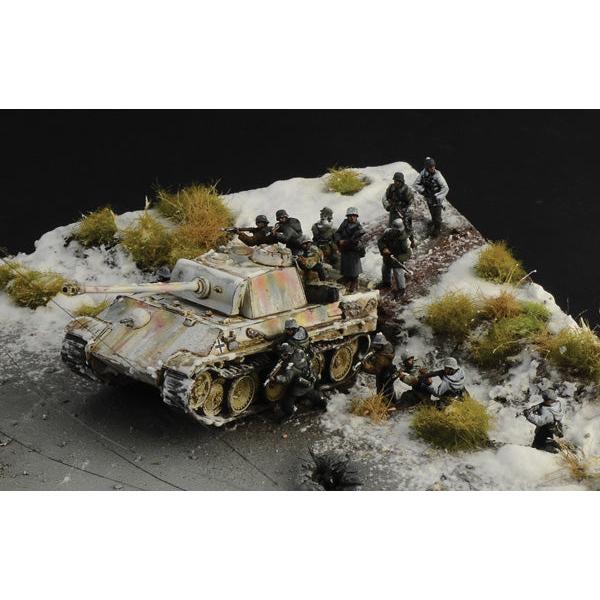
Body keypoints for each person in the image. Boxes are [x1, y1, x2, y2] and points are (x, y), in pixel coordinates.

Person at [272, 342, 326, 422]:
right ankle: (322, 402)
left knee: (287, 403)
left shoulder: (290, 368)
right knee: (312, 394)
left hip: (299, 386)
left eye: (283, 354)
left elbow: (286, 379)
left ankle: (289, 413)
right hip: (309, 377)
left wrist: (276, 378)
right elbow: (310, 356)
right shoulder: (299, 352)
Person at [412, 157, 449, 237]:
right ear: (427, 167)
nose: (432, 168)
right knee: (432, 210)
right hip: (428, 196)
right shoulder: (423, 173)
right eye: (430, 167)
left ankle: (437, 228)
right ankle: (433, 221)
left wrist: (438, 196)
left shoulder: (438, 175)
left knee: (437, 213)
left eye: (433, 166)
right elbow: (415, 184)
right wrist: (423, 191)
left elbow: (445, 188)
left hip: (437, 197)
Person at [376, 218, 412, 300]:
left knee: (398, 274)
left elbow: (408, 254)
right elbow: (381, 241)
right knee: (385, 270)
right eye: (395, 230)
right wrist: (384, 248)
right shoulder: (388, 233)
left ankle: (401, 290)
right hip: (387, 257)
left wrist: (398, 258)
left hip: (397, 260)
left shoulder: (405, 240)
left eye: (398, 230)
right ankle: (386, 283)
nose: (397, 232)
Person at [334, 207, 366, 293]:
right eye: (350, 216)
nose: (352, 218)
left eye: (354, 216)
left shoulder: (359, 228)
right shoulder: (344, 223)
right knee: (345, 265)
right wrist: (339, 240)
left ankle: (354, 282)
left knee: (354, 268)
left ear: (356, 217)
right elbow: (338, 233)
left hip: (354, 249)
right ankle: (347, 278)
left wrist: (345, 242)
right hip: (345, 249)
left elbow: (355, 241)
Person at [361, 332, 397, 403]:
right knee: (390, 389)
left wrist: (366, 367)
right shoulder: (388, 345)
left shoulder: (382, 357)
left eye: (377, 345)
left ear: (381, 344)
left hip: (383, 374)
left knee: (382, 390)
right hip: (389, 370)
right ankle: (393, 402)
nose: (375, 346)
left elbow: (376, 370)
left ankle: (386, 404)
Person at [382, 172, 415, 246]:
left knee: (408, 227)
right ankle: (393, 242)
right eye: (395, 180)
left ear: (402, 181)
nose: (396, 182)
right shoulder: (391, 187)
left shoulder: (406, 190)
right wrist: (387, 206)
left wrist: (408, 212)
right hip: (393, 210)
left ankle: (412, 241)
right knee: (392, 226)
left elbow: (412, 202)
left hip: (404, 211)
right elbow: (385, 197)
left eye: (398, 181)